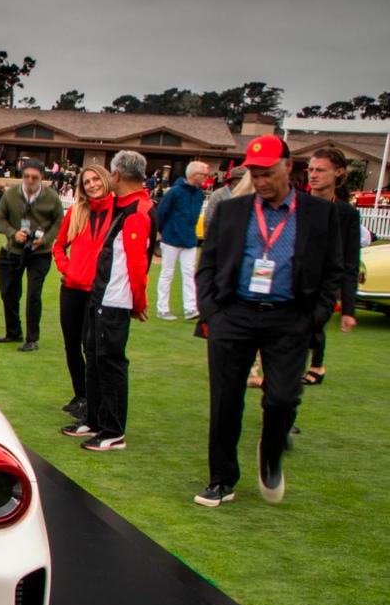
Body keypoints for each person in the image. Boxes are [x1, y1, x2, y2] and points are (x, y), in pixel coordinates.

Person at [193, 136, 343, 507]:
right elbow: (208, 264)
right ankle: (222, 479)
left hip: (290, 317)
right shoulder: (232, 211)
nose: (260, 181)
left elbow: (333, 270)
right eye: (255, 174)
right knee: (225, 401)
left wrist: (315, 318)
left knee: (281, 398)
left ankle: (271, 451)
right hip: (235, 314)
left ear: (288, 167)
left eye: (267, 173)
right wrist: (213, 311)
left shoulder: (319, 213)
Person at [62, 152, 152, 450]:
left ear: (116, 175)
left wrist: (138, 301)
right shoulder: (127, 205)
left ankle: (113, 431)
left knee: (110, 363)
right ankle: (97, 420)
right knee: (97, 359)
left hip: (115, 298)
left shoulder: (137, 208)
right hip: (101, 296)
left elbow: (138, 263)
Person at [51, 164, 115, 423]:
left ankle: (93, 398)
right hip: (71, 288)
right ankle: (80, 395)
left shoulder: (117, 212)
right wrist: (67, 269)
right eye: (86, 181)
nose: (91, 184)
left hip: (97, 291)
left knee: (91, 346)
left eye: (95, 179)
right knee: (71, 344)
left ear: (105, 180)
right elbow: (58, 244)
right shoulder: (77, 211)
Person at [0, 159, 63, 351]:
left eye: (35, 177)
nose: (30, 180)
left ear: (42, 178)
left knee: (33, 294)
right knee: (9, 292)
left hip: (40, 253)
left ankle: (32, 339)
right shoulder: (11, 194)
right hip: (14, 249)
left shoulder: (52, 197)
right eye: (26, 176)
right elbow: (0, 218)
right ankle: (13, 332)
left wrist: (46, 239)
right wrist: (13, 233)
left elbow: (58, 221)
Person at [302, 147, 359, 385]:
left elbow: (350, 262)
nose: (313, 175)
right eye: (311, 169)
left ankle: (316, 365)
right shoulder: (296, 204)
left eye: (320, 170)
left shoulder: (346, 214)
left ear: (338, 172)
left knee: (308, 330)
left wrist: (348, 308)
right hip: (292, 281)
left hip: (324, 286)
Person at [154, 161, 208, 320]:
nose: (206, 178)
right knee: (167, 273)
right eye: (203, 174)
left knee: (189, 273)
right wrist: (165, 232)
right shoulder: (175, 192)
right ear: (193, 175)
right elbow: (162, 213)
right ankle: (162, 308)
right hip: (171, 238)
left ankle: (190, 308)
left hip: (189, 239)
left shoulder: (199, 194)